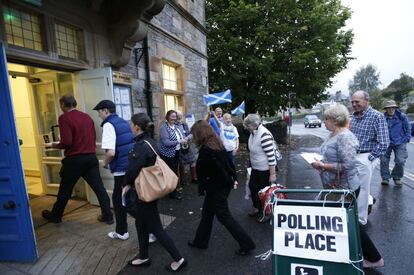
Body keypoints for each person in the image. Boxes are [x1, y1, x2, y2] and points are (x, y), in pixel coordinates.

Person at [311, 104, 384, 269]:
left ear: (335, 120)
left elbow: (349, 165)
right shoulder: (333, 134)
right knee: (339, 221)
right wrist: (320, 162)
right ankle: (339, 251)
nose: (324, 122)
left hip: (345, 188)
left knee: (350, 223)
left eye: (326, 118)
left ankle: (374, 258)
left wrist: (323, 166)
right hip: (334, 187)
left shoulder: (345, 137)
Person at [123, 113, 186, 272]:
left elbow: (133, 170)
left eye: (131, 124)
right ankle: (143, 256)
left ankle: (178, 259)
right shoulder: (150, 141)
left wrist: (126, 184)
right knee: (141, 224)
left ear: (137, 126)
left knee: (155, 227)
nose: (130, 127)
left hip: (144, 191)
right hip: (151, 189)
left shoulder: (140, 145)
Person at [188, 120, 256, 255]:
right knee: (207, 215)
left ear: (200, 134)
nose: (193, 137)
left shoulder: (207, 150)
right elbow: (228, 163)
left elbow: (220, 169)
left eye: (195, 134)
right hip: (218, 188)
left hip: (217, 189)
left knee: (225, 217)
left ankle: (247, 244)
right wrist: (233, 179)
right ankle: (200, 241)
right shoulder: (216, 144)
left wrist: (231, 180)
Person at [42, 95, 113, 224]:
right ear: (74, 104)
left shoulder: (64, 118)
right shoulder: (87, 117)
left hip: (74, 160)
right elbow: (92, 137)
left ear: (63, 104)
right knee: (99, 188)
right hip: (90, 158)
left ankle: (56, 216)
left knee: (65, 190)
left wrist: (54, 145)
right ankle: (108, 216)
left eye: (61, 105)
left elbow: (67, 142)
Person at [93, 100, 134, 240]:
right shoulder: (122, 121)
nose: (99, 115)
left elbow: (111, 153)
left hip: (121, 169)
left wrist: (105, 162)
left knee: (121, 201)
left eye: (99, 112)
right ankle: (123, 231)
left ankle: (127, 231)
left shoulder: (109, 125)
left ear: (105, 111)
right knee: (125, 200)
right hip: (128, 166)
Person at [349, 91, 389, 225]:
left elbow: (384, 142)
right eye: (353, 102)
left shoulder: (377, 116)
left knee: (362, 189)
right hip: (353, 155)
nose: (354, 104)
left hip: (366, 155)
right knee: (352, 186)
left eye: (357, 102)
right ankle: (366, 205)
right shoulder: (353, 117)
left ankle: (360, 220)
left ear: (367, 101)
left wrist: (369, 158)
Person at [243, 114, 277, 222]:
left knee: (264, 193)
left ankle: (266, 213)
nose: (246, 128)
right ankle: (258, 209)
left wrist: (272, 174)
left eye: (247, 125)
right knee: (253, 188)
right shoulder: (253, 133)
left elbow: (271, 157)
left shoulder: (264, 135)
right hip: (255, 167)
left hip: (265, 170)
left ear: (253, 124)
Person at [380, 100, 411, 186]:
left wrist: (406, 139)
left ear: (395, 108)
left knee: (400, 161)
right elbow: (379, 129)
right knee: (383, 160)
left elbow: (408, 128)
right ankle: (385, 178)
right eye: (389, 108)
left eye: (392, 107)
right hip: (386, 142)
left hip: (400, 142)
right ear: (386, 109)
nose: (391, 109)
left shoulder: (402, 117)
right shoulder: (382, 118)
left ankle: (397, 177)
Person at [159, 110, 187, 200]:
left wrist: (185, 138)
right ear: (167, 117)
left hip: (176, 152)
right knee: (171, 173)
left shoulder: (176, 127)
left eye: (175, 116)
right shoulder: (164, 127)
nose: (174, 118)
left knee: (175, 171)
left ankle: (174, 189)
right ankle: (172, 192)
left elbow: (182, 136)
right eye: (172, 116)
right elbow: (166, 142)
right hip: (167, 154)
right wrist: (179, 141)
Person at [175, 111, 197, 185]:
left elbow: (191, 134)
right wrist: (180, 141)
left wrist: (187, 138)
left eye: (180, 116)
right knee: (181, 163)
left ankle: (194, 178)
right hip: (180, 146)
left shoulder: (184, 124)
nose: (179, 118)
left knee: (192, 161)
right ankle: (181, 180)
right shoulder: (173, 125)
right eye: (178, 116)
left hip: (187, 145)